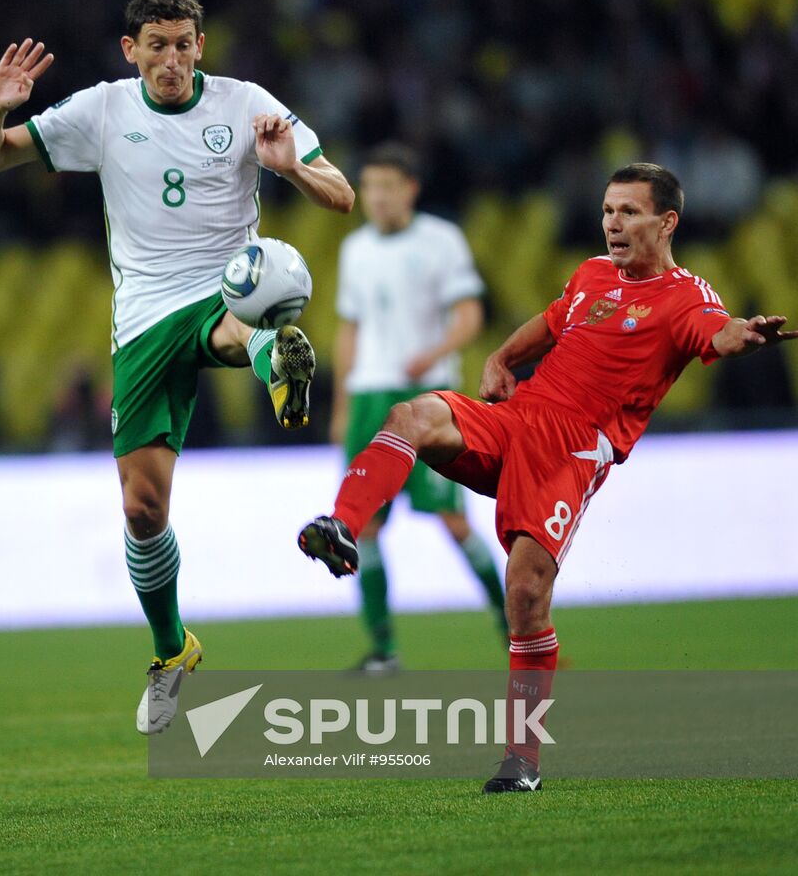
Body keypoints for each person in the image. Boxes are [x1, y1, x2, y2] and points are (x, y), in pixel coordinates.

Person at [298, 162, 797, 793]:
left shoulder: (686, 297)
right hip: (520, 418)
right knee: (413, 414)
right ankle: (342, 525)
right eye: (609, 210)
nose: (613, 223)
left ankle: (522, 763)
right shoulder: (592, 274)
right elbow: (554, 320)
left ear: (667, 221)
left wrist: (743, 335)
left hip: (572, 454)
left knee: (526, 595)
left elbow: (714, 335)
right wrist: (504, 358)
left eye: (629, 212)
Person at [0, 0, 354, 734]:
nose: (171, 60)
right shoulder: (104, 109)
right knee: (143, 510)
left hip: (226, 289)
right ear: (131, 50)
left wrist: (288, 166)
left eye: (183, 45)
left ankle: (279, 364)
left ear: (199, 46)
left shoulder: (245, 103)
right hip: (144, 316)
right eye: (156, 47)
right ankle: (173, 651)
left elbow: (339, 194)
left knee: (256, 298)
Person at [332, 142, 507, 673]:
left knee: (453, 521)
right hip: (368, 397)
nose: (377, 198)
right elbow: (350, 328)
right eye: (370, 188)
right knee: (361, 529)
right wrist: (342, 402)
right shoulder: (355, 249)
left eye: (388, 187)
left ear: (410, 189)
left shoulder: (441, 240)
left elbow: (470, 314)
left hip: (427, 400)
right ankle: (383, 650)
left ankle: (512, 628)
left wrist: (433, 354)